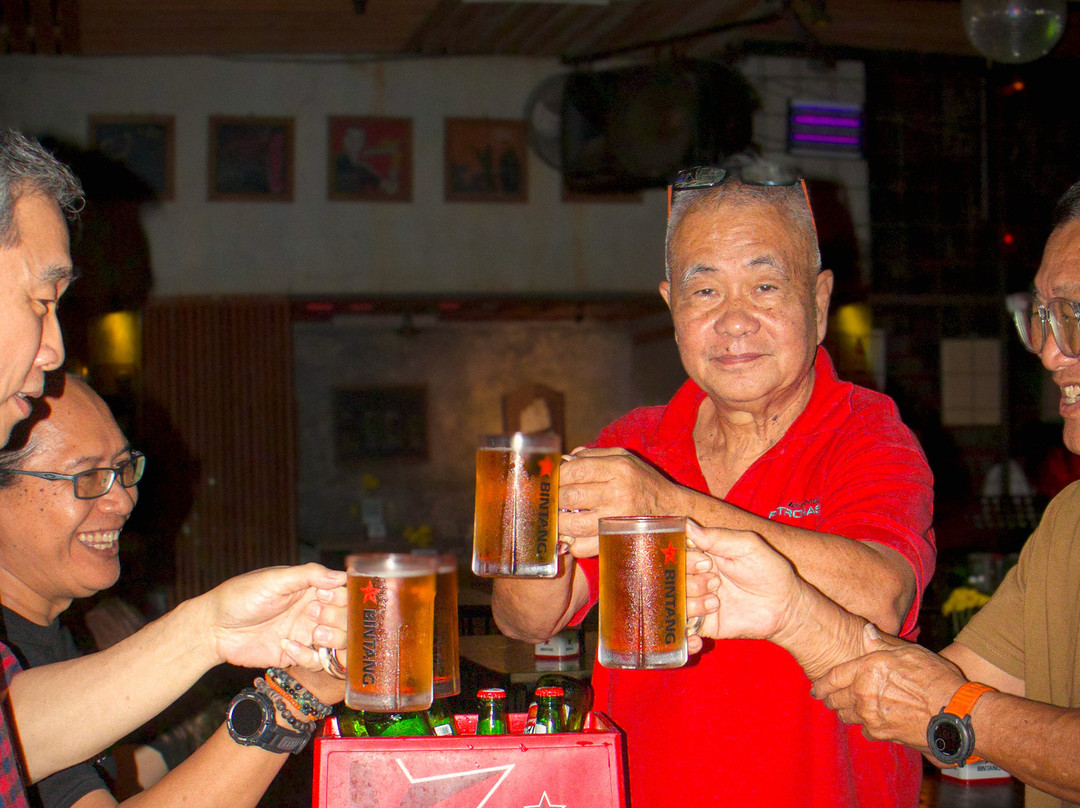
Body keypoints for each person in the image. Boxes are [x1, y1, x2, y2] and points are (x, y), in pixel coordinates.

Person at [491, 167, 936, 807]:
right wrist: (537, 528)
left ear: (818, 301)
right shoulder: (637, 443)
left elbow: (880, 596)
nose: (734, 322)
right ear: (672, 308)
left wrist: (666, 506)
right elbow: (527, 620)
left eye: (764, 285)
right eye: (705, 293)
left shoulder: (868, 434)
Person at [685, 178, 1080, 808]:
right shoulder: (1070, 521)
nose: (1050, 350)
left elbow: (939, 692)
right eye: (1042, 314)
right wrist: (791, 611)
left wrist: (958, 710)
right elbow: (916, 703)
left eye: (1076, 314)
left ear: (818, 303)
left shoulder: (869, 431)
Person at [0, 128, 347, 791]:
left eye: (124, 469)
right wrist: (294, 696)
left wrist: (211, 626)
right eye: (42, 302)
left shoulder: (59, 632)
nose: (52, 350)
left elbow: (17, 733)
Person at [0, 373, 347, 807]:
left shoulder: (47, 638)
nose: (123, 500)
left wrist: (296, 687)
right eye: (87, 476)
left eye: (125, 468)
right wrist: (291, 693)